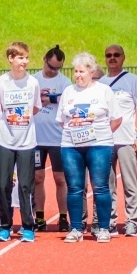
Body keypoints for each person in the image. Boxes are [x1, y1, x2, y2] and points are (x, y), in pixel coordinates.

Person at [57, 52, 122, 243]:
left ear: (92, 71)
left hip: (99, 145)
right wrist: (76, 132)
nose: (78, 75)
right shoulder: (69, 91)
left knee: (100, 187)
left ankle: (103, 228)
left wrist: (101, 134)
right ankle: (76, 228)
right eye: (76, 71)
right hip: (71, 146)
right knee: (75, 187)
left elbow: (117, 118)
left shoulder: (103, 91)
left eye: (82, 71)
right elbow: (62, 120)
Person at [0, 42, 43, 242]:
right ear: (11, 59)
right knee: (3, 184)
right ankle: (5, 225)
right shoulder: (2, 82)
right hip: (6, 140)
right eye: (20, 57)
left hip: (27, 142)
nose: (25, 61)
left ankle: (28, 226)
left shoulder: (33, 83)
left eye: (26, 58)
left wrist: (23, 119)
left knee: (25, 185)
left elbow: (36, 107)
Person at [100, 44, 137, 237]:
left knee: (130, 182)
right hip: (105, 140)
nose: (112, 58)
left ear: (123, 57)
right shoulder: (101, 83)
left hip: (127, 139)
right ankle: (110, 221)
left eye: (116, 55)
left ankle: (131, 221)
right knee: (107, 183)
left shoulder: (132, 80)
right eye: (108, 55)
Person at [33, 45, 72, 232]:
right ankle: (39, 216)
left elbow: (67, 100)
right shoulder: (34, 80)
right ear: (44, 60)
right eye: (51, 66)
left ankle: (63, 217)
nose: (53, 70)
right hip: (36, 139)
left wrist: (51, 99)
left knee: (60, 178)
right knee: (38, 177)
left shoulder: (65, 82)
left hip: (57, 138)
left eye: (57, 68)